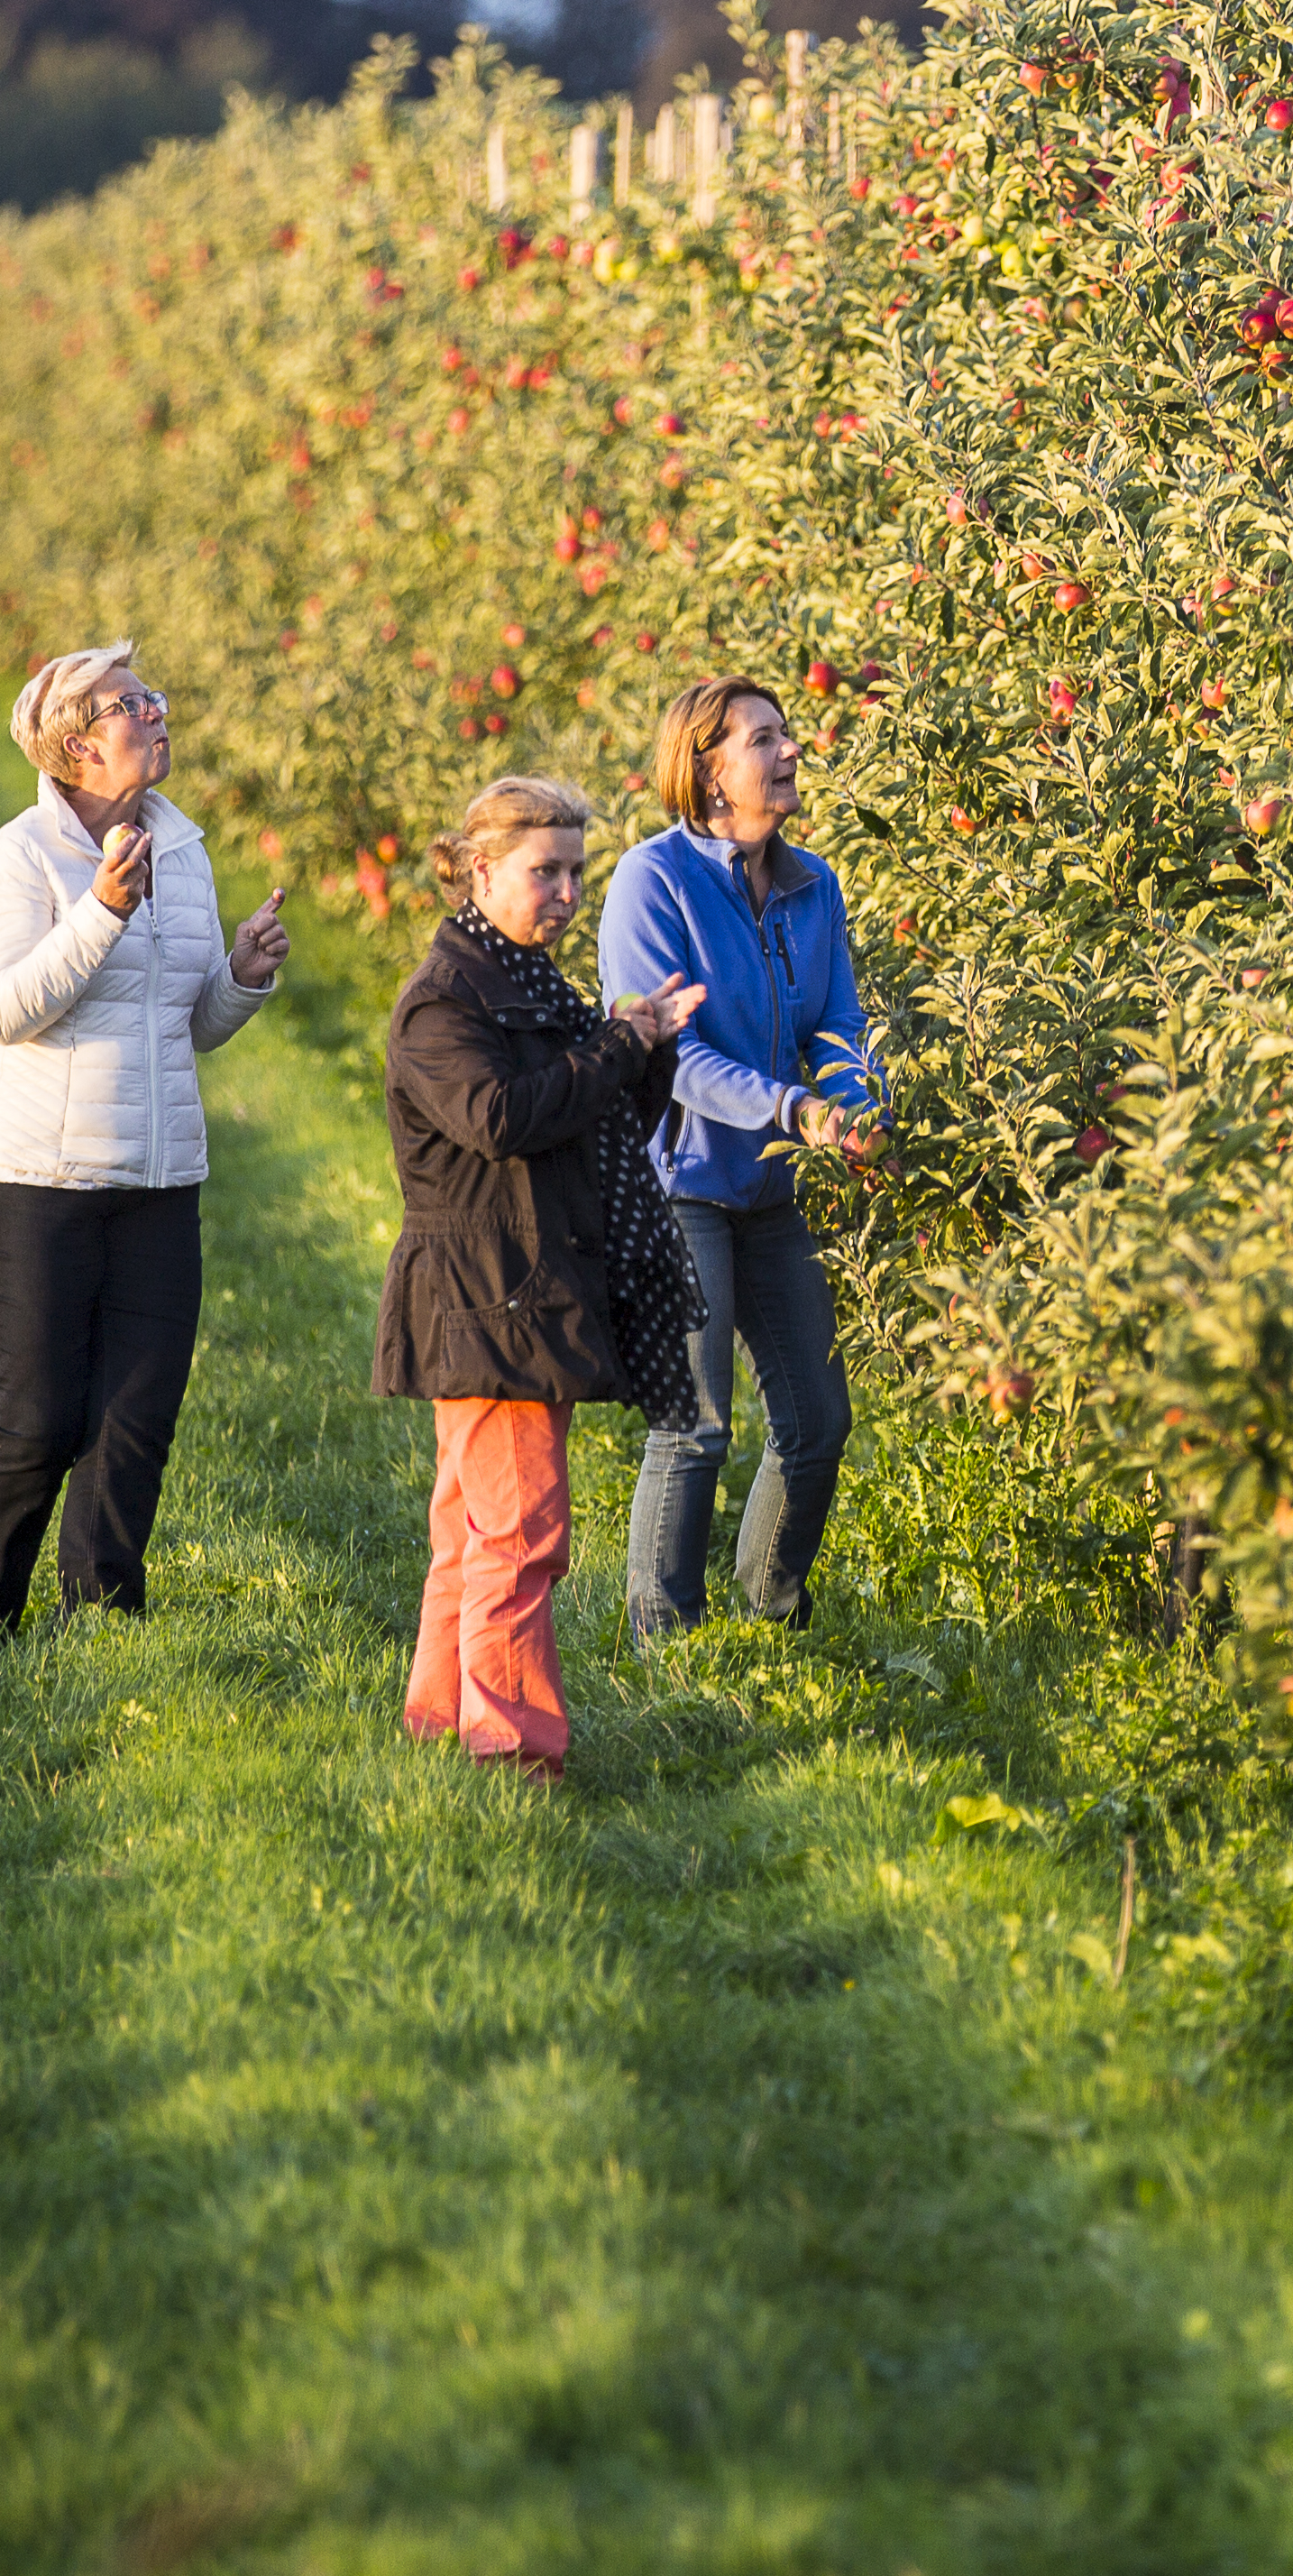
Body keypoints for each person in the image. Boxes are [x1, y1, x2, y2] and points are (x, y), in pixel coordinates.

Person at [0, 641, 288, 1640]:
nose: (160, 709)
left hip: (158, 1173)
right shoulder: (15, 861)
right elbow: (7, 1009)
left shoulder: (180, 849)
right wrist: (99, 912)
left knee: (136, 1418)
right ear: (75, 747)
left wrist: (244, 976)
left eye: (153, 693)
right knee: (39, 1418)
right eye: (133, 702)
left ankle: (104, 1621)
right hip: (33, 1180)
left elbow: (188, 1023)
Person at [376, 775, 708, 1780]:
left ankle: (446, 1722)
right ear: (480, 870)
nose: (565, 892)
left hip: (511, 1289)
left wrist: (645, 1051)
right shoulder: (447, 1001)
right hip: (488, 1296)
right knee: (522, 1532)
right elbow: (503, 1119)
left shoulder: (526, 984)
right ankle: (516, 1749)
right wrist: (619, 1041)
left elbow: (592, 1129)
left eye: (576, 871)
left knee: (472, 1528)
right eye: (543, 871)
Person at [601, 676, 880, 1638]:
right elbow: (668, 1052)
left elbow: (838, 1023)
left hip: (773, 1185)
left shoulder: (812, 887)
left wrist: (858, 1106)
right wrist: (789, 1106)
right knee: (697, 1426)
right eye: (764, 739)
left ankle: (771, 1623)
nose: (790, 750)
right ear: (708, 771)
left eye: (786, 733)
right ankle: (664, 1641)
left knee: (817, 1423)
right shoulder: (653, 880)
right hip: (680, 1185)